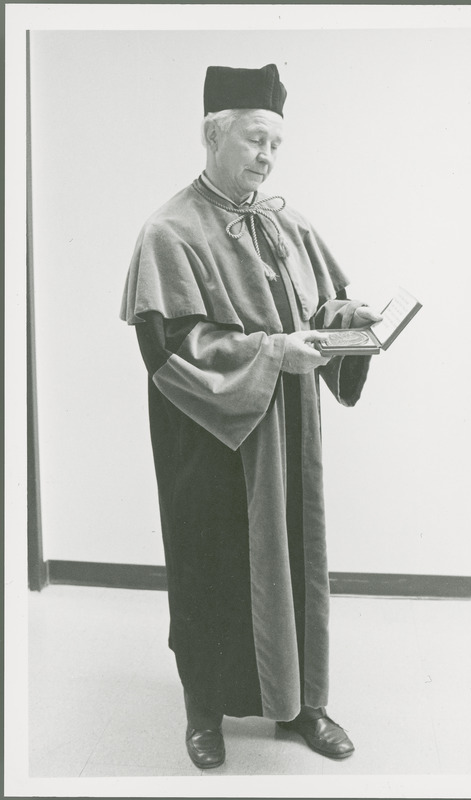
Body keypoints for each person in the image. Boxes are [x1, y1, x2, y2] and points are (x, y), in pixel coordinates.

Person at [120, 63, 382, 770]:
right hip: (209, 440)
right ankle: (204, 710)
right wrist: (272, 352)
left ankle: (301, 703)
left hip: (286, 435)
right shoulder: (168, 231)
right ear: (214, 134)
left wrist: (350, 321)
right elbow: (170, 346)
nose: (267, 159)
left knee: (297, 558)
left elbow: (320, 308)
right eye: (255, 141)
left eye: (276, 147)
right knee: (210, 568)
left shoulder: (285, 221)